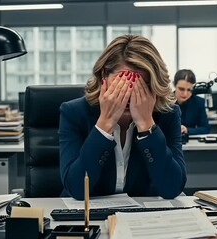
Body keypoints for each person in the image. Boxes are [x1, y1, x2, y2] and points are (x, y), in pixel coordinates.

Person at [59, 35, 186, 200]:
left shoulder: (168, 114)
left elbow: (172, 188)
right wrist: (105, 124)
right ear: (104, 76)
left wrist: (147, 125)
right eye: (122, 85)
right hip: (89, 216)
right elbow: (76, 189)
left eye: (140, 87)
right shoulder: (74, 112)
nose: (129, 96)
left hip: (144, 217)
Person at [174, 69, 210, 135]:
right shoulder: (165, 102)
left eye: (189, 90)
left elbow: (206, 128)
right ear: (174, 85)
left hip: (191, 142)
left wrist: (187, 130)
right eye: (181, 89)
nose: (185, 94)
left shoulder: (199, 102)